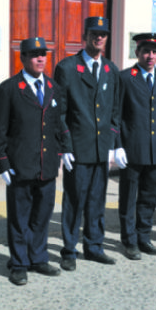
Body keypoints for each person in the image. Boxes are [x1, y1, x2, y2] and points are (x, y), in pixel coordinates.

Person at [0, 37, 68, 285]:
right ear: (23, 58)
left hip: (46, 165)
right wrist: (1, 162)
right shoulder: (8, 89)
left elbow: (57, 124)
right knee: (19, 217)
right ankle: (19, 263)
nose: (40, 59)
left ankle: (38, 258)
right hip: (20, 166)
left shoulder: (53, 87)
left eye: (43, 54)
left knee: (42, 215)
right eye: (34, 54)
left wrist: (65, 150)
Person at [55, 16, 120, 270]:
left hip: (101, 148)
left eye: (103, 34)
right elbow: (60, 111)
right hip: (78, 148)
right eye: (95, 33)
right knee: (73, 200)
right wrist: (65, 146)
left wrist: (113, 141)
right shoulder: (68, 68)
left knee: (97, 199)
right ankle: (69, 250)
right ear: (85, 35)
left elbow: (115, 109)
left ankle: (94, 246)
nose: (99, 38)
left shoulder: (110, 69)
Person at [113, 33, 156, 260]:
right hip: (132, 148)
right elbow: (116, 114)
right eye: (146, 51)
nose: (150, 56)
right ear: (137, 53)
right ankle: (129, 241)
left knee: (149, 197)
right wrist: (117, 146)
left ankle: (144, 237)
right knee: (129, 197)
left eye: (155, 52)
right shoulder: (125, 77)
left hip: (155, 148)